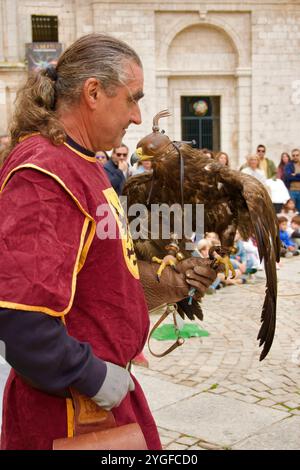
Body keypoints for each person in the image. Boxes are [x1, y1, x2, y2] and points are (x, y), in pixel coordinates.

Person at [0, 33, 216, 450]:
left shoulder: (82, 161)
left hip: (101, 396)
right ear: (93, 92)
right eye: (133, 98)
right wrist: (92, 376)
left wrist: (158, 284)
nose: (138, 117)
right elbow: (18, 318)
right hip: (69, 411)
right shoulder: (44, 173)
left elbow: (93, 273)